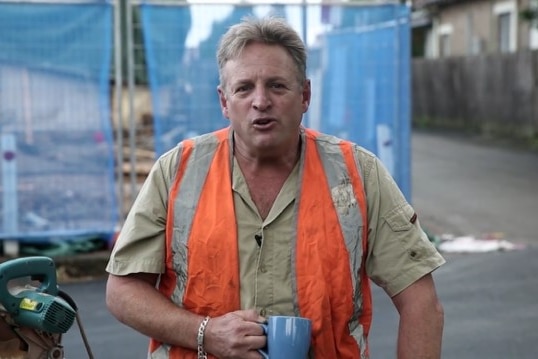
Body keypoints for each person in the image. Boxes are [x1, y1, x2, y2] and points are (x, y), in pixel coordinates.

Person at [106, 15, 445, 359]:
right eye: (244, 88)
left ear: (305, 95)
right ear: (224, 102)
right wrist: (204, 333)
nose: (261, 101)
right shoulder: (178, 171)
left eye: (277, 86)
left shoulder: (358, 174)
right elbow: (122, 290)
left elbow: (421, 303)